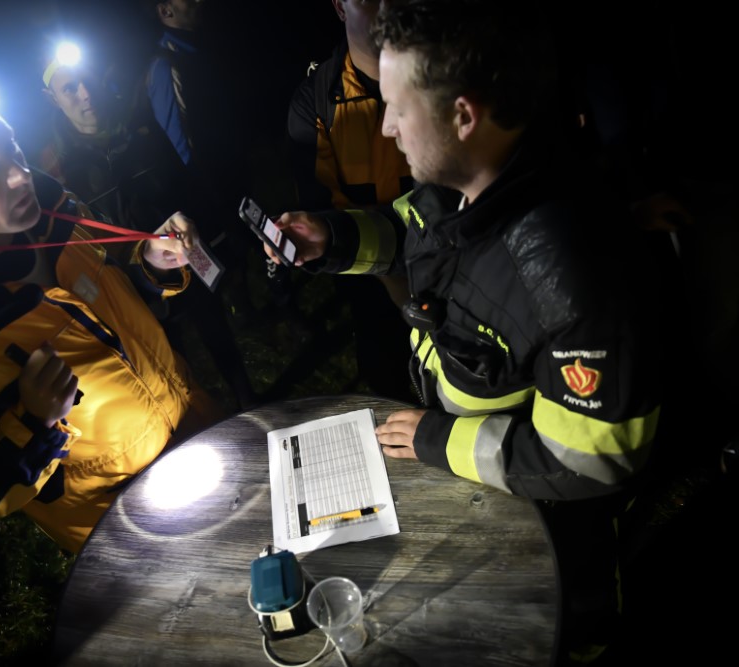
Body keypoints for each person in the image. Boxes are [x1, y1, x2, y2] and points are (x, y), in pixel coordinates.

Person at [262, 1, 669, 663]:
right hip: (479, 460)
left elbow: (590, 459)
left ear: (463, 114)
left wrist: (439, 439)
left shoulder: (574, 278)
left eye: (397, 106)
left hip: (548, 514)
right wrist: (330, 238)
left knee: (557, 618)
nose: (386, 126)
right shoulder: (467, 177)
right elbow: (405, 231)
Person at [0, 73, 221, 556]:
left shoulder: (56, 211)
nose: (20, 175)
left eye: (12, 147)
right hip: (130, 522)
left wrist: (150, 264)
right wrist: (33, 425)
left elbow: (113, 295)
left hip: (201, 429)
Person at [37, 40, 259, 409]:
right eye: (70, 88)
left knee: (214, 324)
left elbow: (184, 182)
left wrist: (211, 232)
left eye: (87, 80)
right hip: (129, 278)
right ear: (52, 98)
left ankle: (248, 402)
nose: (85, 93)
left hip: (181, 253)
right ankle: (194, 418)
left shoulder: (137, 125)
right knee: (168, 352)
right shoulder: (56, 166)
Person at [284, 0, 414, 402]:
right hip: (371, 276)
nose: (386, 6)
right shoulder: (317, 100)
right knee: (390, 387)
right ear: (340, 7)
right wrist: (388, 273)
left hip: (449, 262)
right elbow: (324, 211)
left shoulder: (438, 72)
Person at [140, 0, 256, 316]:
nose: (198, 2)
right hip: (209, 186)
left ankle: (260, 304)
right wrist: (208, 194)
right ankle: (241, 311)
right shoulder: (165, 65)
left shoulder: (199, 50)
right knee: (224, 252)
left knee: (249, 240)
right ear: (165, 11)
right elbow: (178, 144)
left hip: (231, 172)